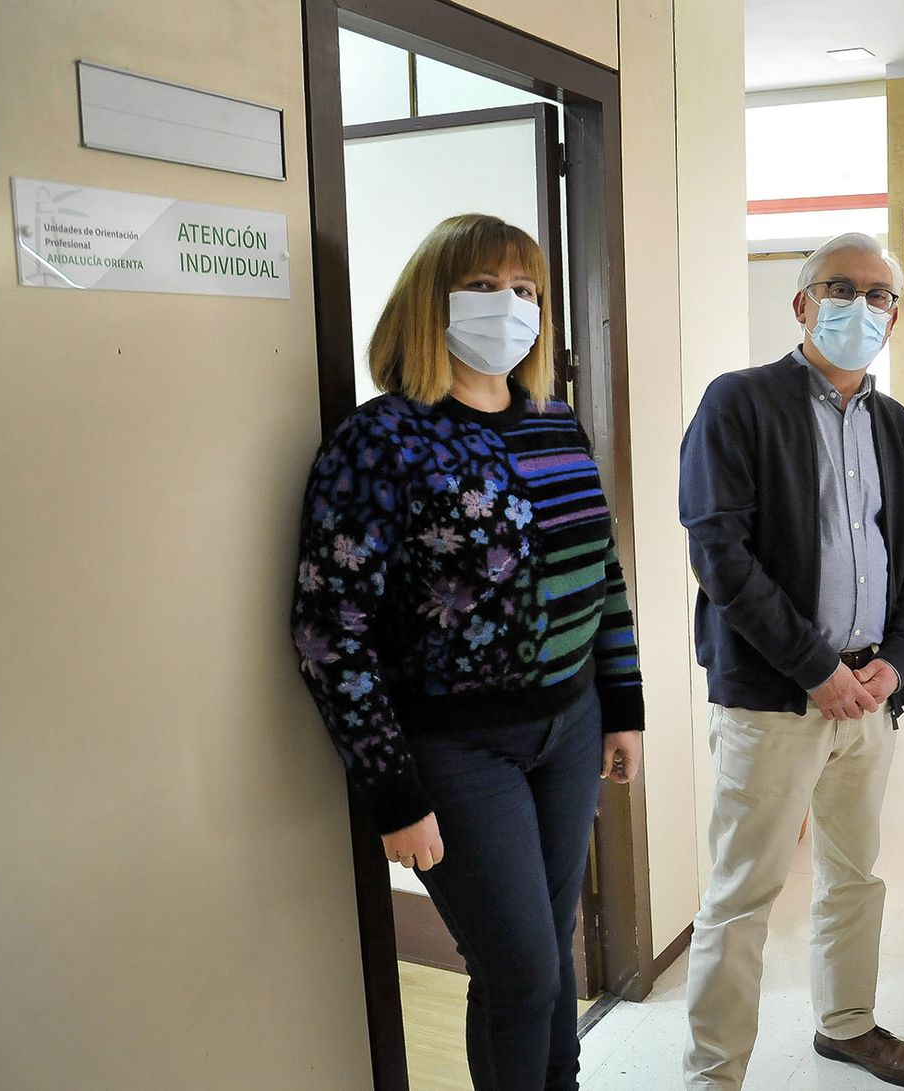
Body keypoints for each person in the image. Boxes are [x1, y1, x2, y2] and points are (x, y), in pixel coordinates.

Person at [291, 214, 644, 1091]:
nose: (509, 305)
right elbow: (329, 632)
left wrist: (624, 706)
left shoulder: (557, 422)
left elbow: (600, 571)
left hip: (569, 728)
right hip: (455, 747)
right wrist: (392, 792)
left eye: (524, 289)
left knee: (549, 959)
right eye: (483, 287)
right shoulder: (383, 441)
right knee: (520, 967)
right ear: (430, 301)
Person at [678, 233, 904, 1090]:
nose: (861, 307)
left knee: (854, 876)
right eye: (842, 288)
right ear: (802, 304)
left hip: (870, 698)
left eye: (879, 295)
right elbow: (721, 554)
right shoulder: (739, 404)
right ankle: (714, 1072)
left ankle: (848, 1022)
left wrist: (891, 666)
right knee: (742, 894)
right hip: (772, 699)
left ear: (895, 316)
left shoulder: (896, 424)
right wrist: (814, 668)